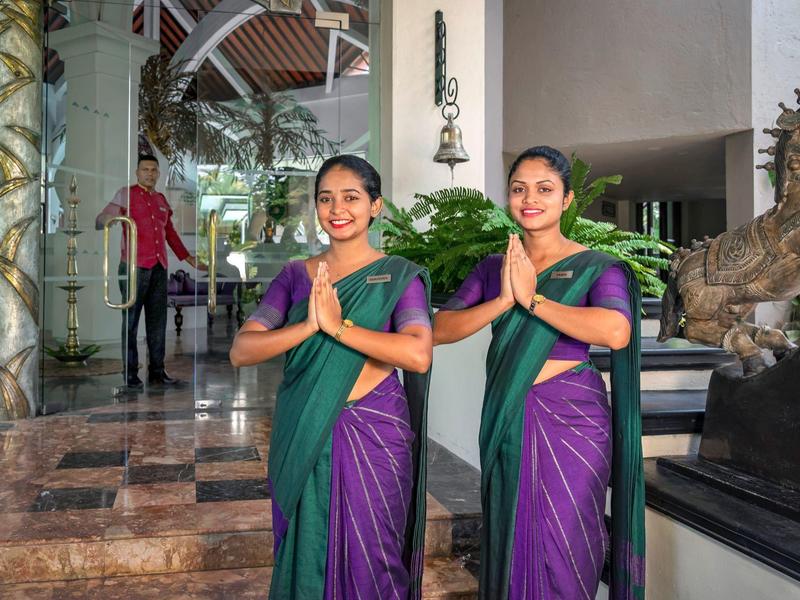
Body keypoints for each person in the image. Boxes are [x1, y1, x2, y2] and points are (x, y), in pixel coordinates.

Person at [433, 146, 645, 600]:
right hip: (508, 417)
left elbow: (615, 330)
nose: (530, 198)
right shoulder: (495, 268)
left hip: (574, 421)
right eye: (519, 189)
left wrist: (534, 299)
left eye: (544, 189)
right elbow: (438, 329)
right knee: (509, 534)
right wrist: (505, 299)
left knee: (569, 539)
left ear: (567, 199)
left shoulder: (597, 266)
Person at [229, 155, 434, 600]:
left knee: (375, 552)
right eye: (326, 199)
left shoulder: (398, 275)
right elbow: (242, 350)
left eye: (351, 197)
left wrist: (341, 327)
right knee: (308, 553)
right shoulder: (295, 276)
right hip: (305, 429)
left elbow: (417, 353)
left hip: (376, 431)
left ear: (375, 206)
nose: (337, 209)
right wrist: (309, 325)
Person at [96, 154, 204, 389]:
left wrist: (188, 259)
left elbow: (171, 234)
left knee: (158, 321)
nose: (150, 173)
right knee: (131, 321)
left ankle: (157, 372)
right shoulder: (126, 194)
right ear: (137, 172)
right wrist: (107, 219)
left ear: (158, 173)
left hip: (159, 267)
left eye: (154, 170)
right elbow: (103, 218)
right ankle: (131, 374)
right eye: (145, 169)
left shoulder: (161, 199)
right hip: (133, 266)